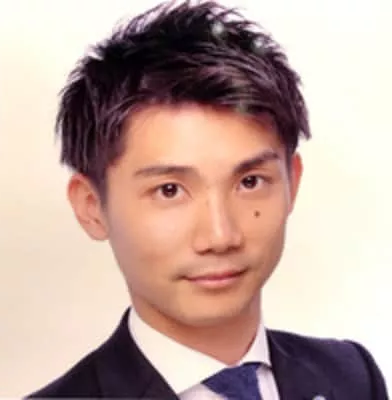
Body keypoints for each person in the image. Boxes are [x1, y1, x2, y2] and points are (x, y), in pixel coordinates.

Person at [28, 1, 388, 399]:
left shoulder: (351, 376)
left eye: (250, 182)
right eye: (169, 190)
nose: (220, 236)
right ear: (91, 206)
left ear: (292, 181)